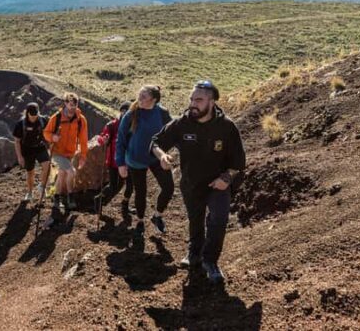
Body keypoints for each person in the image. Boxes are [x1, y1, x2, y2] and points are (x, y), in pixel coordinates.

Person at [151, 79, 246, 284]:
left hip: (217, 184)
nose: (193, 104)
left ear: (212, 102)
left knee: (218, 219)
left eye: (199, 100)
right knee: (195, 219)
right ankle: (194, 253)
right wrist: (162, 156)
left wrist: (227, 178)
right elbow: (156, 142)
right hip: (191, 183)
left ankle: (210, 261)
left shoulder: (227, 127)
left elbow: (239, 162)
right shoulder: (182, 123)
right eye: (192, 99)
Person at [116, 85, 173, 237]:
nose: (139, 99)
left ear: (154, 100)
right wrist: (120, 163)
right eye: (139, 95)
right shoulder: (131, 114)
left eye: (143, 97)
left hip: (156, 156)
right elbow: (120, 139)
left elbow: (174, 132)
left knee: (169, 188)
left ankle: (157, 216)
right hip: (136, 158)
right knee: (141, 191)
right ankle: (140, 220)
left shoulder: (162, 113)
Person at [43, 92, 89, 211]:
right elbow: (46, 133)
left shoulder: (81, 120)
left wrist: (83, 156)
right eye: (70, 104)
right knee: (71, 172)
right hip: (57, 152)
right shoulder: (57, 117)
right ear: (65, 103)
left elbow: (83, 140)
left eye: (75, 104)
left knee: (62, 174)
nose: (73, 107)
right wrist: (53, 137)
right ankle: (70, 196)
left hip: (70, 153)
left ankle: (57, 197)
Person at [94, 101, 134, 216]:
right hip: (114, 161)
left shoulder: (134, 125)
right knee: (113, 186)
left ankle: (125, 205)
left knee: (130, 185)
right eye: (124, 111)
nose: (126, 114)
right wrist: (104, 140)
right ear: (121, 112)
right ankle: (99, 199)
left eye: (129, 112)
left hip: (129, 161)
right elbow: (101, 138)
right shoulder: (112, 125)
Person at [12, 102, 50, 202]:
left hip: (40, 146)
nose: (33, 117)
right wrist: (20, 157)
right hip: (27, 149)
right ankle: (29, 193)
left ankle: (42, 186)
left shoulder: (43, 120)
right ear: (27, 113)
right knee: (30, 172)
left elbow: (49, 133)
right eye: (31, 115)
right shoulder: (20, 124)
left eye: (35, 115)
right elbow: (16, 141)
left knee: (47, 166)